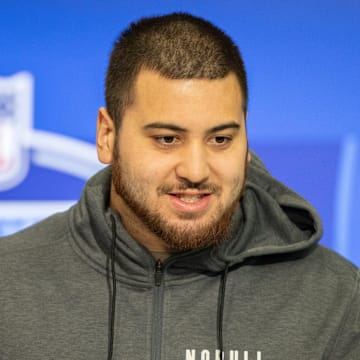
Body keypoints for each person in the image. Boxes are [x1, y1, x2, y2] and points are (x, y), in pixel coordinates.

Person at [0, 12, 359, 360]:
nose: (196, 170)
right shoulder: (8, 282)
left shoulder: (337, 299)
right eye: (167, 139)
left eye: (220, 139)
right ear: (107, 135)